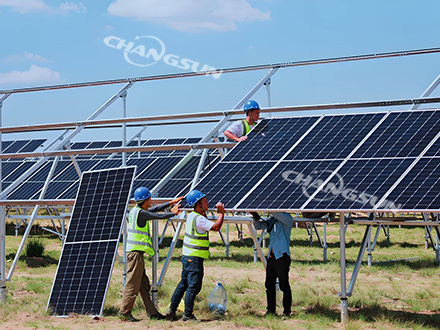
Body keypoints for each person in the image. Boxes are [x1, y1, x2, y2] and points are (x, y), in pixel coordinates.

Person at [119, 187, 184, 322]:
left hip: (136, 253)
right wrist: (172, 214)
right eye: (149, 198)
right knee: (132, 284)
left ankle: (153, 313)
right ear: (145, 200)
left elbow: (154, 210)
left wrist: (171, 203)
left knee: (144, 285)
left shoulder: (136, 211)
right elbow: (157, 215)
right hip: (135, 254)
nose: (151, 201)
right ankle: (125, 313)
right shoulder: (142, 214)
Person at [166, 190, 225, 321]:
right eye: (204, 201)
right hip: (194, 258)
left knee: (184, 284)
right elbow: (215, 227)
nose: (207, 203)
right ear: (198, 204)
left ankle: (172, 309)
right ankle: (187, 314)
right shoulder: (199, 219)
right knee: (193, 287)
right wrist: (221, 213)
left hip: (187, 257)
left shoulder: (193, 215)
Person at [252, 212, 293, 317]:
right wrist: (255, 217)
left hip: (282, 257)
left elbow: (278, 214)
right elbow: (258, 227)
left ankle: (287, 311)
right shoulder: (272, 220)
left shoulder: (287, 219)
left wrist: (270, 207)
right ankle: (271, 310)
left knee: (284, 285)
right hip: (272, 258)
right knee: (269, 285)